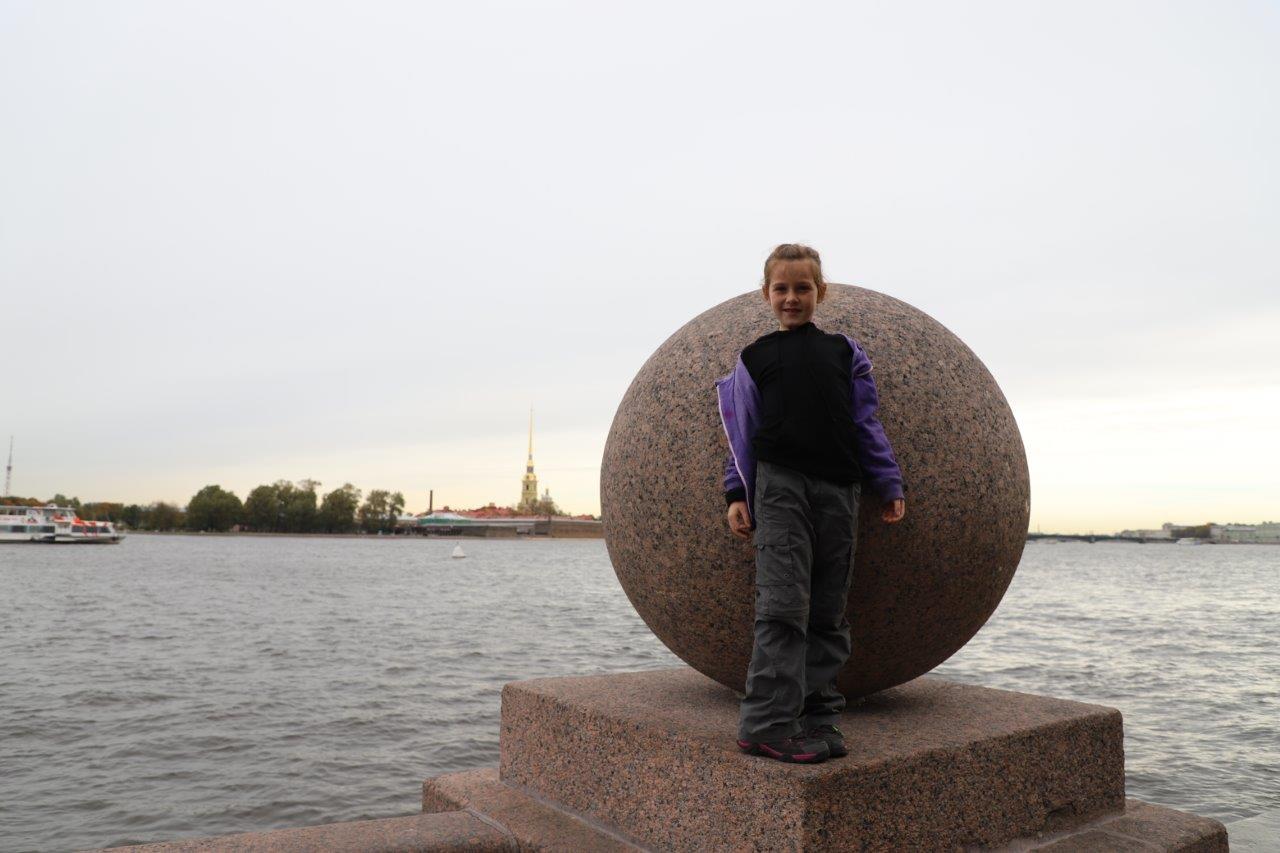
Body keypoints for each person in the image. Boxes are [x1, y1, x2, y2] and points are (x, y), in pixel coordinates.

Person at [714, 243, 906, 764]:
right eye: (782, 288)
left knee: (827, 610)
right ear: (766, 294)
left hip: (840, 488)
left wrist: (888, 482)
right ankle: (767, 725)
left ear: (821, 292)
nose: (792, 298)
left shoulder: (845, 352)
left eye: (803, 288)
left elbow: (866, 423)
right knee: (783, 606)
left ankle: (817, 715)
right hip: (780, 487)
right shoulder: (754, 357)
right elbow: (741, 432)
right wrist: (736, 492)